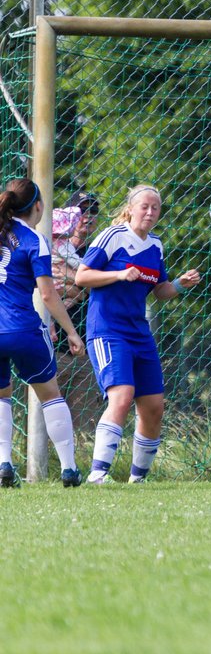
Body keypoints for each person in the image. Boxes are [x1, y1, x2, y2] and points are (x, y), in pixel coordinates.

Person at [76, 185, 201, 484]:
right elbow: (82, 276)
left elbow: (161, 291)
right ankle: (98, 475)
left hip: (139, 333)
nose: (149, 212)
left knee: (154, 406)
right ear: (131, 208)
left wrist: (181, 284)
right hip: (107, 330)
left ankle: (138, 480)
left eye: (155, 208)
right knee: (121, 396)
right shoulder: (113, 236)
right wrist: (118, 274)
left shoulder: (155, 245)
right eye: (144, 206)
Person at [0, 179, 87, 487]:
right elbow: (48, 296)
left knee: (1, 396)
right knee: (50, 395)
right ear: (38, 206)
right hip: (22, 329)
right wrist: (72, 333)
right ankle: (68, 470)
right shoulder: (35, 240)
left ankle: (4, 466)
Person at [50, 191, 99, 305]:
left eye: (93, 211)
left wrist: (67, 274)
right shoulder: (54, 245)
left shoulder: (97, 251)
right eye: (82, 210)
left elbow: (100, 289)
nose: (89, 215)